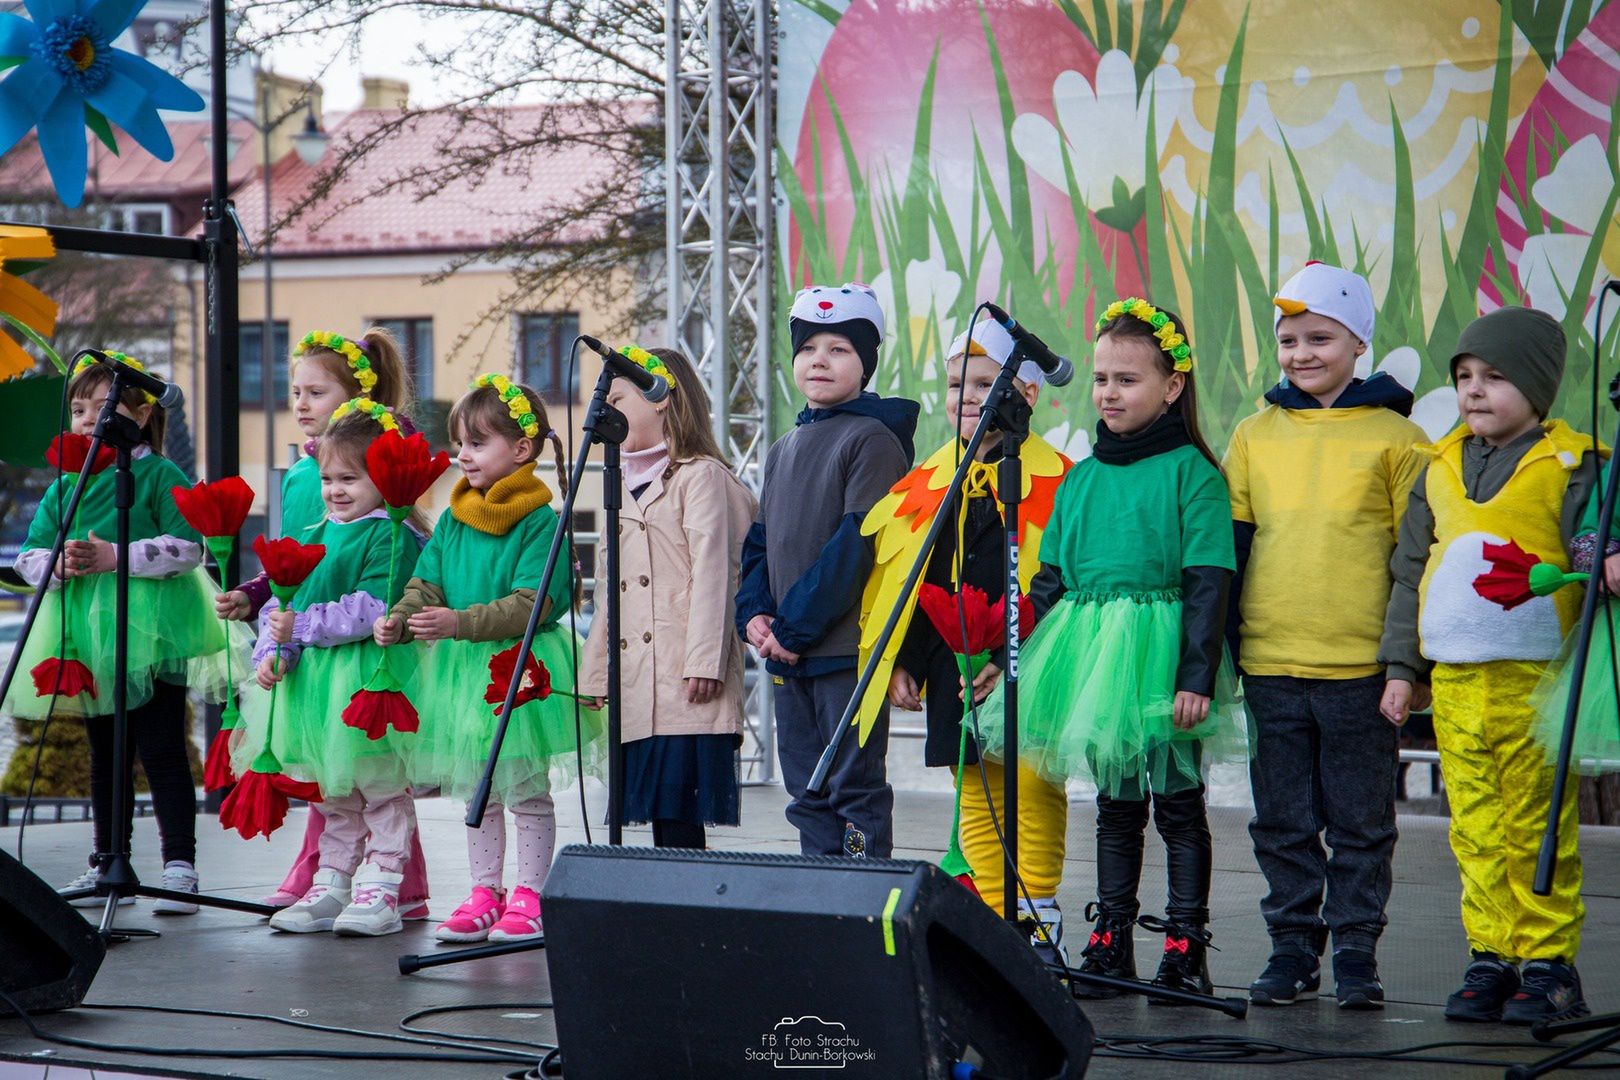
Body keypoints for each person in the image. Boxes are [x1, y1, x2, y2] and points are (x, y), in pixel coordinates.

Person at [977, 298, 1243, 999]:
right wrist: (1009, 655)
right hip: (1090, 658)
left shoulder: (1193, 474)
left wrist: (1195, 676)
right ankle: (1110, 940)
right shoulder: (1083, 478)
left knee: (1179, 805)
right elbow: (1051, 581)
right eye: (1101, 379)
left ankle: (1186, 946)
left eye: (1126, 379)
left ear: (1172, 387)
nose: (1108, 393)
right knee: (1116, 805)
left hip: (1162, 655)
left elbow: (1209, 579)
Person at [1382, 306, 1600, 1024]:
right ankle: (1491, 956)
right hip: (1455, 681)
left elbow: (1595, 543)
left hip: (1533, 681)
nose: (1475, 391)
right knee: (1472, 823)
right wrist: (1400, 667)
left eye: (1496, 377)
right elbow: (1411, 566)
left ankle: (1548, 963)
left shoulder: (1571, 465)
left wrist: (1607, 555)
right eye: (1466, 376)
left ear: (1539, 388)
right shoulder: (1440, 463)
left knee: (1535, 825)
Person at [1227, 262, 1427, 1009]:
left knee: (1360, 821)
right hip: (1270, 662)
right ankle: (1290, 947)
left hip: (1360, 669)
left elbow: (1416, 560)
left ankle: (1353, 951)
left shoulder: (1400, 439)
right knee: (1281, 819)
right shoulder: (1253, 434)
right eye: (1288, 340)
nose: (1301, 352)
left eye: (1320, 337)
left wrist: (1403, 662)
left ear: (1357, 342)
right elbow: (1234, 549)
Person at [857, 317, 1072, 947]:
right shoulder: (930, 480)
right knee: (972, 782)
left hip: (1028, 663)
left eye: (983, 382)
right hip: (953, 666)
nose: (967, 397)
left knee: (1028, 785)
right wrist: (902, 662)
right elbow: (907, 582)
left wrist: (1012, 650)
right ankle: (991, 907)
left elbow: (1058, 582)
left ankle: (1037, 913)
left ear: (1027, 394)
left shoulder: (1059, 477)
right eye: (956, 385)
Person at [7, 354, 247, 914]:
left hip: (154, 627)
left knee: (161, 745)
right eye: (78, 409)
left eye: (102, 406)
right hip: (86, 632)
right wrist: (56, 564)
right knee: (104, 751)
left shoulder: (161, 475)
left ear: (139, 413)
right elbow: (29, 556)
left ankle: (180, 867)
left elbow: (190, 547)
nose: (88, 418)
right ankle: (107, 860)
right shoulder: (64, 487)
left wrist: (117, 555)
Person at [214, 327, 431, 918]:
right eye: (296, 391)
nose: (301, 403)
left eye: (316, 391)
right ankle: (330, 880)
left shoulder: (392, 533)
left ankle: (387, 884)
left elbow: (362, 606)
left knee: (382, 787)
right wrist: (271, 647)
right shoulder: (310, 494)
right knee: (335, 791)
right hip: (317, 679)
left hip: (365, 674)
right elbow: (294, 588)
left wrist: (297, 627)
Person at [380, 374, 602, 944]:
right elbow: (427, 583)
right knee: (480, 786)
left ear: (521, 450)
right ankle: (485, 891)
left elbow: (534, 603)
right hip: (462, 673)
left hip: (519, 667)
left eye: (477, 443)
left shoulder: (540, 521)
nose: (462, 455)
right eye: (460, 443)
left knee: (524, 786)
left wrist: (460, 622)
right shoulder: (454, 518)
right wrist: (403, 619)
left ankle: (529, 892)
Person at [735, 282, 918, 858]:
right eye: (809, 347)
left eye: (840, 348)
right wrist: (756, 614)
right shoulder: (785, 445)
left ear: (866, 363)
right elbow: (761, 543)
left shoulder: (872, 439)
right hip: (790, 651)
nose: (820, 359)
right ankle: (821, 895)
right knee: (805, 790)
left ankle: (863, 907)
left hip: (843, 653)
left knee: (852, 787)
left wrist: (794, 630)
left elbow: (854, 547)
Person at [580, 347, 757, 848]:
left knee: (680, 818)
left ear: (660, 399)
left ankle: (690, 918)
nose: (605, 409)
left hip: (687, 680)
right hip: (640, 684)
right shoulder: (618, 483)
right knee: (657, 815)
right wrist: (596, 670)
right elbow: (607, 592)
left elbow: (716, 574)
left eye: (616, 398)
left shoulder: (700, 476)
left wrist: (704, 661)